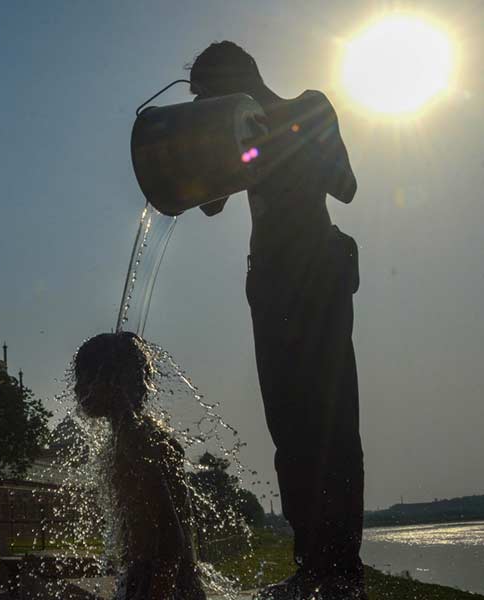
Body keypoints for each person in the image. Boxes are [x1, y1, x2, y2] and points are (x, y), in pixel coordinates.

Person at [188, 42, 364, 599]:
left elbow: (346, 185)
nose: (204, 108)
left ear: (235, 81)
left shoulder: (308, 107)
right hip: (268, 289)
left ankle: (342, 565)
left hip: (318, 278)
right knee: (288, 428)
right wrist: (217, 145)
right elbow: (208, 202)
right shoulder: (234, 135)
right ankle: (312, 560)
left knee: (332, 423)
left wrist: (280, 142)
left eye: (206, 98)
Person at [74, 332, 206, 600]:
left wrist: (157, 593)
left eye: (84, 378)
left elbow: (171, 537)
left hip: (165, 582)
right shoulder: (130, 434)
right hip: (150, 575)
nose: (77, 389)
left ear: (111, 382)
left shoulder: (135, 439)